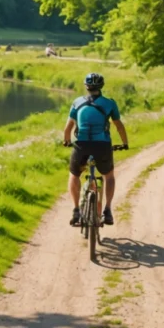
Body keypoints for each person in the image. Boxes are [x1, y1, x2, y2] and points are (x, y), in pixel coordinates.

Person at [63, 72, 129, 226]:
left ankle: (75, 210)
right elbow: (118, 125)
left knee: (74, 175)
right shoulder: (110, 103)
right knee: (109, 175)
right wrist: (125, 143)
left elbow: (68, 128)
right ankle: (107, 210)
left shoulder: (77, 102)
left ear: (86, 86)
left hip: (81, 145)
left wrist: (66, 141)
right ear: (102, 86)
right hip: (102, 145)